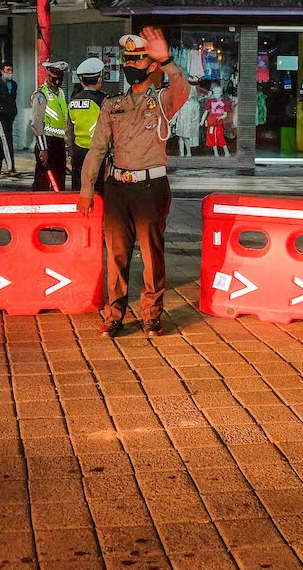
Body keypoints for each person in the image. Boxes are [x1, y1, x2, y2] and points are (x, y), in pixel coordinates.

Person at [77, 28, 189, 338]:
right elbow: (97, 149)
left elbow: (182, 88)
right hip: (117, 188)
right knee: (116, 254)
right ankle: (114, 314)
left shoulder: (163, 101)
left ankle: (151, 315)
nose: (130, 66)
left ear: (150, 66)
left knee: (152, 255)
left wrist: (166, 59)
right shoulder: (112, 105)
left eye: (137, 60)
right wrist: (87, 189)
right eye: (127, 60)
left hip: (150, 188)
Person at [66, 56, 106, 192]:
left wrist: (71, 154)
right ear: (99, 79)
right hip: (99, 152)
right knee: (99, 190)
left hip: (78, 152)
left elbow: (69, 132)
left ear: (82, 81)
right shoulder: (104, 101)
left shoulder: (73, 102)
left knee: (78, 189)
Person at [31, 60, 69, 190]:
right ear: (48, 76)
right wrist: (43, 149)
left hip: (59, 143)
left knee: (59, 181)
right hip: (47, 142)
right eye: (56, 76)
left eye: (60, 76)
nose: (58, 79)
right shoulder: (41, 95)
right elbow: (37, 123)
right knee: (42, 181)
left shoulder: (61, 93)